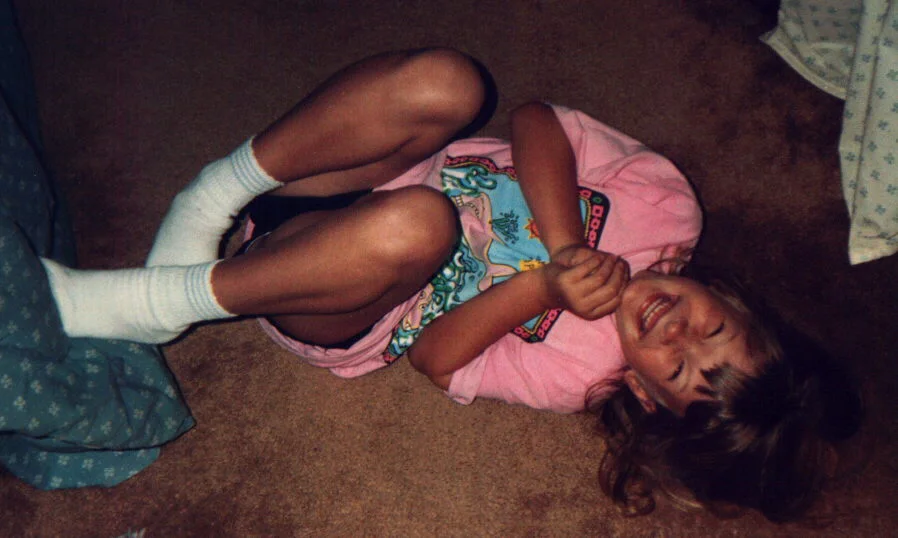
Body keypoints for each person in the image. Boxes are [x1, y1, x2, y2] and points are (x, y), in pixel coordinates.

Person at [37, 48, 861, 522]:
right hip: (356, 172)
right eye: (713, 330)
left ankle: (161, 302)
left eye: (677, 369)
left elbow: (435, 359)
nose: (677, 334)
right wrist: (565, 244)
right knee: (449, 81)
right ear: (737, 306)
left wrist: (543, 289)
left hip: (343, 294)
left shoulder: (578, 374)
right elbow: (536, 119)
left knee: (418, 226)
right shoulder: (666, 208)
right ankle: (213, 196)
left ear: (645, 395)